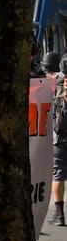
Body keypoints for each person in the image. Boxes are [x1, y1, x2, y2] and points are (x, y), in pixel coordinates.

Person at [50, 75, 67, 227]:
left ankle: (60, 215)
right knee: (58, 175)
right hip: (60, 141)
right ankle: (59, 214)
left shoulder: (56, 101)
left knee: (58, 175)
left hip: (59, 141)